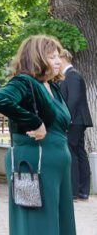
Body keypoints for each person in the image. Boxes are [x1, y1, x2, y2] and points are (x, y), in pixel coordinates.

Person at [0, 35, 76, 234]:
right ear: (37, 57)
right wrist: (35, 122)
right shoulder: (25, 81)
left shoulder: (52, 85)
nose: (58, 61)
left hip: (57, 163)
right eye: (52, 56)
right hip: (35, 162)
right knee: (38, 224)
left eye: (58, 56)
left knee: (60, 222)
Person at [60, 49, 92, 201]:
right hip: (77, 120)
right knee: (79, 152)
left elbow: (73, 100)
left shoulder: (72, 75)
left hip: (74, 120)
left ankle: (74, 190)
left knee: (73, 152)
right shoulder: (70, 75)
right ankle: (82, 190)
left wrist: (66, 119)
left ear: (63, 58)